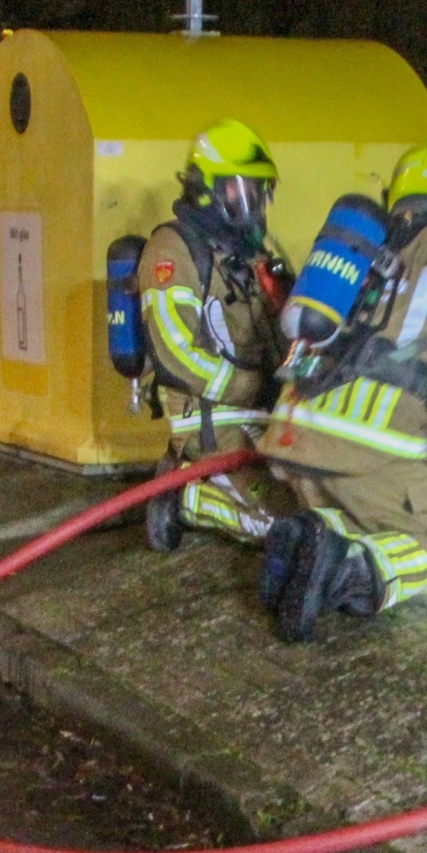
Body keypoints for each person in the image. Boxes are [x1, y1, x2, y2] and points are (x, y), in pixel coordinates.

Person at [260, 141, 427, 640]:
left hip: (297, 445)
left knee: (361, 516)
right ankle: (351, 570)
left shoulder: (364, 246)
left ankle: (307, 546)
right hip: (377, 454)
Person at [138, 119, 296, 549]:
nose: (254, 204)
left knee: (323, 502)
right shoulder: (171, 251)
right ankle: (183, 496)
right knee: (277, 524)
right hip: (210, 416)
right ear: (206, 188)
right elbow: (173, 350)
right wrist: (248, 387)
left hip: (268, 410)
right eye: (241, 190)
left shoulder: (254, 252)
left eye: (259, 192)